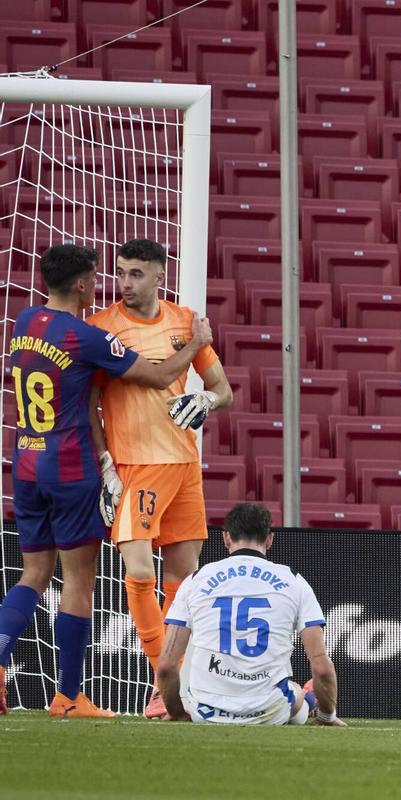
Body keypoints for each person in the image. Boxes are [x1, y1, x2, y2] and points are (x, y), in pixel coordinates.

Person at [0, 243, 212, 717]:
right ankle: (69, 697)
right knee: (78, 582)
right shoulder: (85, 335)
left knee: (33, 574)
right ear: (81, 284)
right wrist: (196, 345)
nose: (106, 286)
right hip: (70, 466)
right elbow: (158, 378)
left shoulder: (23, 323)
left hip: (25, 461)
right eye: (100, 277)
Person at [87, 238, 234, 718]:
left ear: (158, 276)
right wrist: (105, 462)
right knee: (139, 572)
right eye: (121, 272)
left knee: (183, 583)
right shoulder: (103, 326)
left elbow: (223, 390)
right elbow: (90, 404)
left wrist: (207, 401)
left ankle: (183, 685)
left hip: (184, 466)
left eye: (135, 274)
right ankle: (163, 684)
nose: (124, 283)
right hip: (135, 464)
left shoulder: (184, 320)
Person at [157, 503, 344, 727]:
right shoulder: (293, 581)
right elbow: (322, 668)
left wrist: (177, 713)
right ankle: (310, 701)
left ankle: (304, 698)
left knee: (287, 693)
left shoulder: (196, 580)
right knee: (294, 693)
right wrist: (328, 717)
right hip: (269, 711)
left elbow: (167, 665)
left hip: (206, 712)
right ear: (270, 539)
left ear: (226, 538)